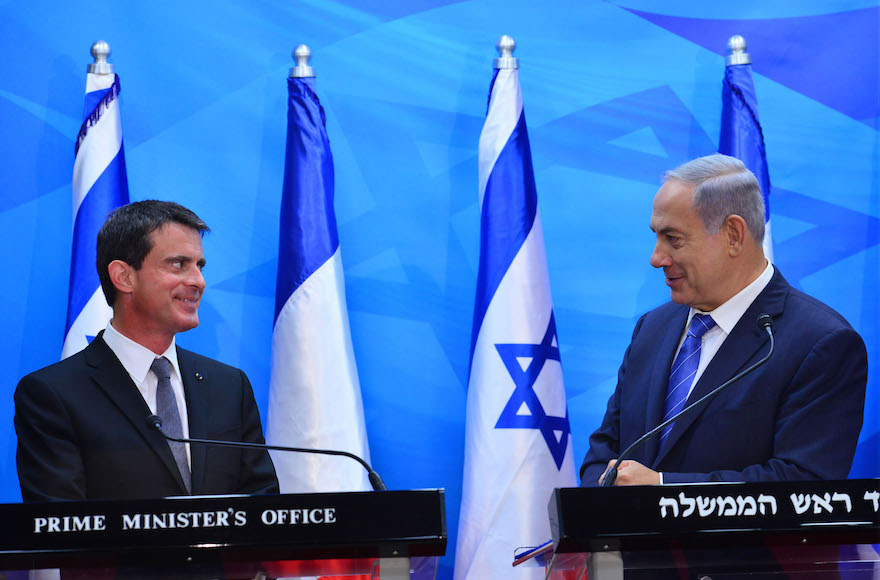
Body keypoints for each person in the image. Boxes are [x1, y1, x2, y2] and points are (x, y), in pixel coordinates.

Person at [581, 154, 867, 486]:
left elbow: (803, 482)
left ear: (733, 234)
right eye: (656, 237)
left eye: (673, 239)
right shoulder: (652, 329)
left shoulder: (821, 343)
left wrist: (663, 488)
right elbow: (604, 452)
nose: (656, 257)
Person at [15, 200, 279, 501]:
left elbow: (262, 506)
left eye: (199, 266)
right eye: (179, 264)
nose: (198, 281)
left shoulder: (230, 386)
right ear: (124, 277)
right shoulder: (53, 395)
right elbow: (62, 527)